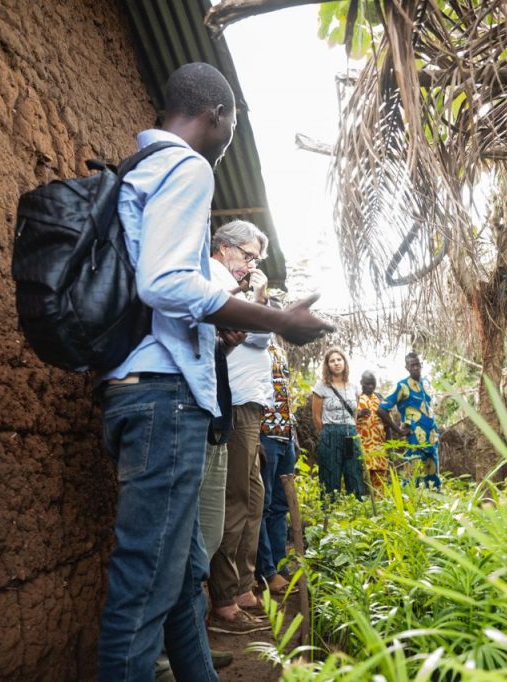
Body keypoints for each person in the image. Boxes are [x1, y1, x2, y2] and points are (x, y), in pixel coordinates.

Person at [96, 63, 332, 682]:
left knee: (178, 574)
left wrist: (215, 326)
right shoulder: (186, 167)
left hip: (136, 389)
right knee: (146, 577)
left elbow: (156, 294)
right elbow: (165, 282)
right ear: (217, 116)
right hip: (164, 398)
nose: (228, 136)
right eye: (230, 123)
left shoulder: (137, 171)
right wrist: (277, 320)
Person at [206, 220, 273, 632]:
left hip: (249, 406)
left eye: (254, 260)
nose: (249, 266)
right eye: (247, 256)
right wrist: (258, 297)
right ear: (224, 248)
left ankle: (243, 586)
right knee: (232, 502)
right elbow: (260, 335)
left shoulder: (236, 288)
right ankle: (225, 599)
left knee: (252, 499)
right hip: (235, 404)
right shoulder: (214, 281)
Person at [256, 330, 298, 594]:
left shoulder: (279, 349)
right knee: (264, 503)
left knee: (280, 506)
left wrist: (293, 432)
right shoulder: (251, 342)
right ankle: (267, 571)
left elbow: (285, 394)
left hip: (285, 434)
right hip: (265, 432)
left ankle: (281, 566)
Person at [378, 352, 441, 490]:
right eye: (412, 365)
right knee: (413, 472)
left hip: (431, 436)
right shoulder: (402, 386)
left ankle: (433, 501)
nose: (416, 368)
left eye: (418, 364)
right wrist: (399, 430)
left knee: (433, 471)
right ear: (407, 367)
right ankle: (410, 502)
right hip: (414, 438)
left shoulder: (426, 383)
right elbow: (382, 409)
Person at [312, 348, 364, 499]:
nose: (336, 363)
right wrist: (327, 434)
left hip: (351, 433)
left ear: (344, 362)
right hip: (329, 432)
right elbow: (316, 416)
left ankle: (355, 510)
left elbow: (354, 414)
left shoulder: (354, 387)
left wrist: (351, 430)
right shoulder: (321, 386)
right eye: (332, 361)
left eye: (339, 359)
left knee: (354, 473)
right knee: (330, 475)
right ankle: (329, 512)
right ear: (327, 365)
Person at [356, 371, 389, 490]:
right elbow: (349, 417)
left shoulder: (380, 398)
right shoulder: (356, 398)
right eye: (367, 384)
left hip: (379, 446)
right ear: (361, 383)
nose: (370, 387)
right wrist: (359, 413)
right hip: (363, 446)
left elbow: (387, 422)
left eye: (373, 384)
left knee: (380, 479)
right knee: (362, 478)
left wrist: (389, 444)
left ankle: (380, 505)